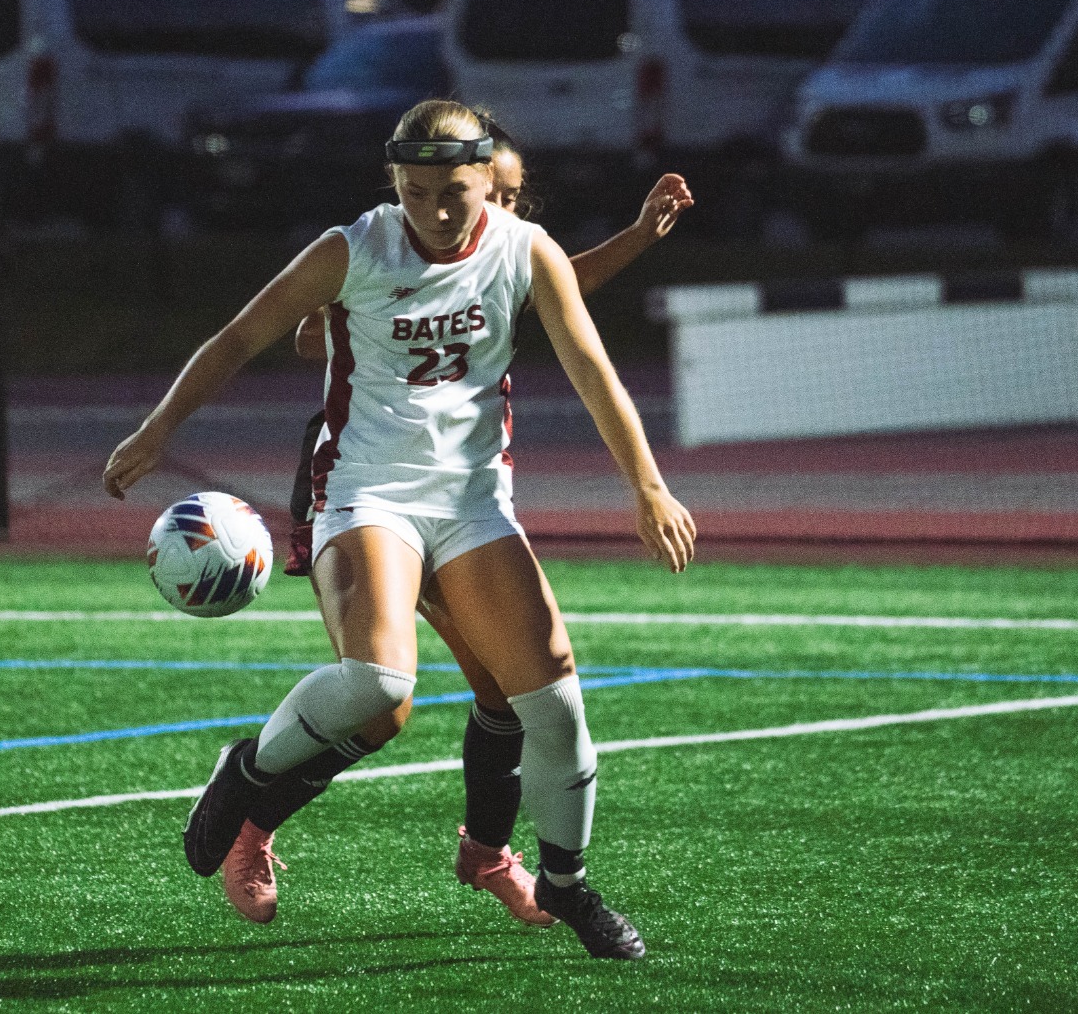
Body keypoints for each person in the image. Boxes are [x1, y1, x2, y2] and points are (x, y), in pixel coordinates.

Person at [104, 99, 695, 959]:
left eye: (453, 190)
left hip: (472, 502)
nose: (435, 210)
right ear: (394, 183)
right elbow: (238, 337)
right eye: (416, 192)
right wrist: (158, 430)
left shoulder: (524, 249)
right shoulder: (354, 249)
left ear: (489, 177)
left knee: (551, 697)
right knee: (381, 686)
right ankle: (249, 774)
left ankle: (564, 884)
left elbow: (594, 369)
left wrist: (648, 487)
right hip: (366, 492)